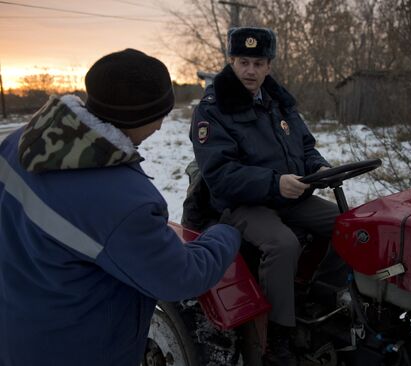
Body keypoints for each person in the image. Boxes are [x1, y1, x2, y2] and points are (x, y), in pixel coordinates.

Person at [0, 49, 241, 366]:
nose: (160, 127)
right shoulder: (125, 202)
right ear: (141, 117)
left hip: (18, 331)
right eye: (161, 115)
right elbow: (180, 276)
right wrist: (225, 233)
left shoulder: (20, 143)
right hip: (79, 349)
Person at [189, 27, 345, 365]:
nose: (250, 70)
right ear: (231, 61)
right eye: (243, 62)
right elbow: (219, 174)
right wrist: (274, 183)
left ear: (268, 66)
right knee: (282, 244)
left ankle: (322, 296)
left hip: (289, 194)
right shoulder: (213, 110)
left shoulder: (279, 102)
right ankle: (278, 338)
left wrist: (318, 168)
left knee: (348, 225)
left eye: (258, 63)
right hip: (240, 203)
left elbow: (305, 146)